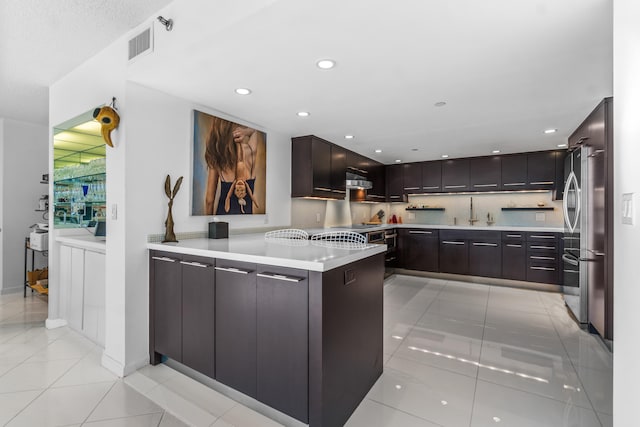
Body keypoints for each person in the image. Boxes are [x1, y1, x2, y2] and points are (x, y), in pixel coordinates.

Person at [204, 118, 262, 215]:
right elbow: (254, 131)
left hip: (222, 218)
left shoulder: (217, 156)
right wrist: (245, 131)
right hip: (246, 220)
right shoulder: (250, 151)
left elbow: (209, 201)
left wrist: (208, 222)